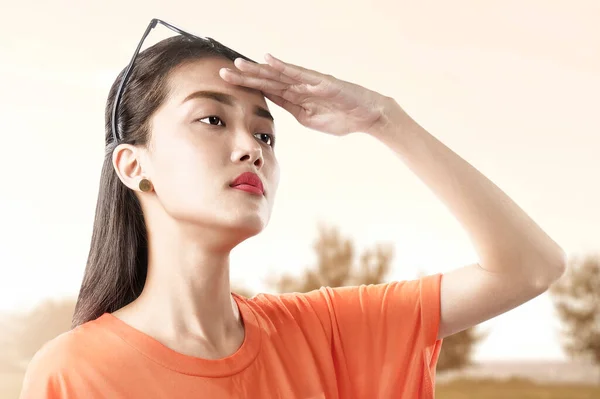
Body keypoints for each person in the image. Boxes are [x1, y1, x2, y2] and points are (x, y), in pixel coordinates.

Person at [19, 19, 566, 398]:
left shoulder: (324, 333)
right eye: (212, 119)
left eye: (266, 134)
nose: (250, 148)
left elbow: (528, 266)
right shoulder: (75, 375)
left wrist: (383, 119)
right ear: (133, 166)